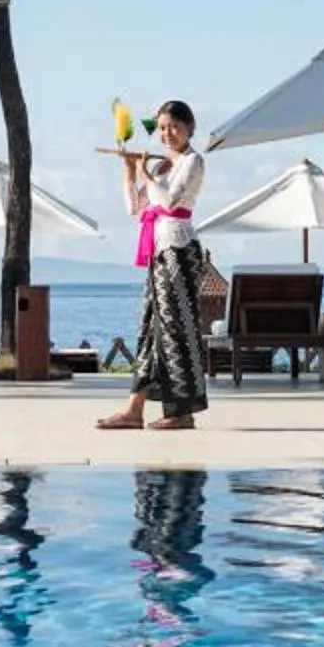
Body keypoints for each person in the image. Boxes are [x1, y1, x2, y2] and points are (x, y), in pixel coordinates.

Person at [98, 99, 209, 431]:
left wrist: (145, 172)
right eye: (162, 127)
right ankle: (134, 408)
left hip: (179, 251)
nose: (167, 133)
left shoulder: (193, 161)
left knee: (177, 331)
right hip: (158, 253)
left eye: (174, 126)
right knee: (149, 330)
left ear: (190, 128)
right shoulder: (161, 167)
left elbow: (169, 200)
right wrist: (130, 173)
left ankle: (183, 411)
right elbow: (136, 208)